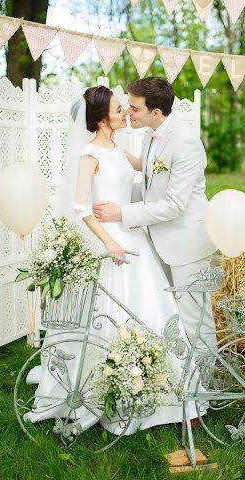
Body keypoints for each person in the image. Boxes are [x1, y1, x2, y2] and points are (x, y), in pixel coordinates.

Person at [25, 85, 199, 435]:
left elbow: (150, 172)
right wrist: (108, 243)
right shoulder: (90, 154)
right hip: (111, 242)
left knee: (153, 309)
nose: (125, 113)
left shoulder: (120, 150)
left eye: (127, 108)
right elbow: (79, 207)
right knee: (112, 315)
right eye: (120, 109)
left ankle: (161, 386)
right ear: (102, 116)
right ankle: (112, 385)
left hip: (133, 233)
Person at [93, 77, 217, 359]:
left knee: (194, 316)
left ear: (156, 112)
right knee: (172, 313)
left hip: (187, 242)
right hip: (160, 239)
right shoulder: (152, 134)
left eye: (134, 108)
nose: (127, 112)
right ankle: (182, 376)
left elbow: (173, 204)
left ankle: (205, 391)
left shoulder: (186, 143)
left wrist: (123, 213)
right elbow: (150, 186)